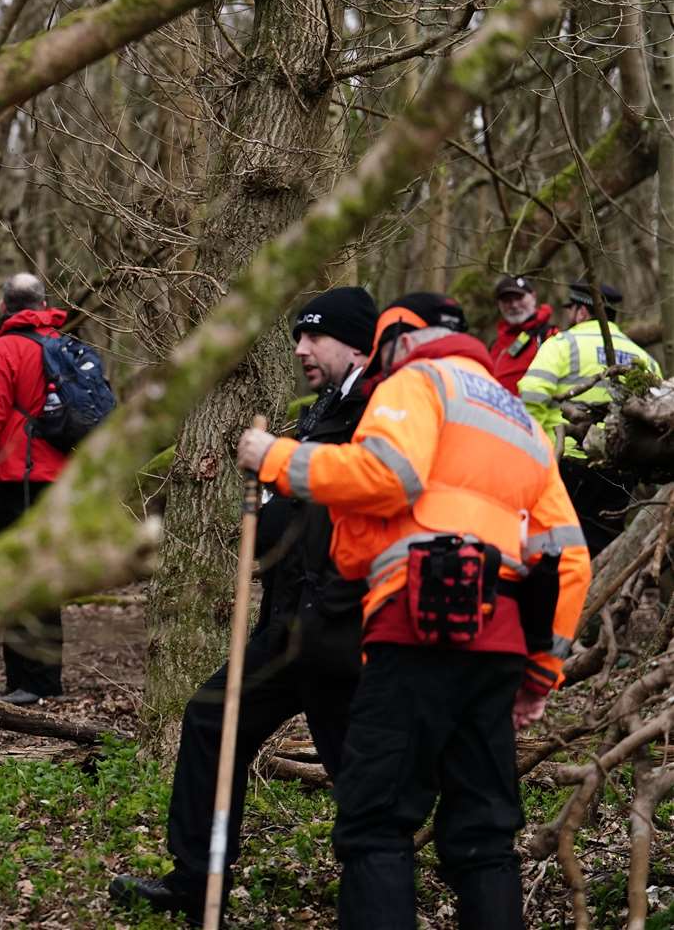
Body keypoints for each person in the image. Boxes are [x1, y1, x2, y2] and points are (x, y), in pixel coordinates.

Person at [238, 293, 590, 930]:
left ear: (401, 338)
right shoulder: (521, 419)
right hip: (498, 645)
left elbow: (386, 476)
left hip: (413, 633)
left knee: (376, 823)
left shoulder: (416, 382)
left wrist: (276, 460)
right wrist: (541, 672)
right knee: (484, 837)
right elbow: (569, 559)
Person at [110, 286, 378, 925]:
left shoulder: (377, 408)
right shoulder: (321, 408)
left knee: (361, 776)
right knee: (209, 720)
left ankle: (379, 903)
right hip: (287, 626)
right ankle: (195, 881)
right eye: (297, 336)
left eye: (316, 336)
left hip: (341, 630)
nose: (301, 348)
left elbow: (359, 492)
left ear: (356, 342)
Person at [0, 273, 72, 705]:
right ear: (43, 304)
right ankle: (48, 680)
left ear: (5, 306)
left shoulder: (3, 350)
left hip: (20, 480)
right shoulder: (65, 346)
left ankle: (26, 683)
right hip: (62, 482)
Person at [518, 281, 661, 555]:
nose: (569, 316)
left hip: (568, 461)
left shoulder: (562, 343)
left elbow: (532, 394)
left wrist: (536, 444)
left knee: (557, 548)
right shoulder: (643, 359)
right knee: (603, 549)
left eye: (571, 309)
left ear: (583, 312)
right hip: (619, 469)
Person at [487, 274, 557, 395]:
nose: (514, 305)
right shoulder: (496, 344)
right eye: (507, 300)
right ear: (499, 304)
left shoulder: (550, 335)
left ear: (533, 297)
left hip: (535, 411)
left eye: (519, 298)